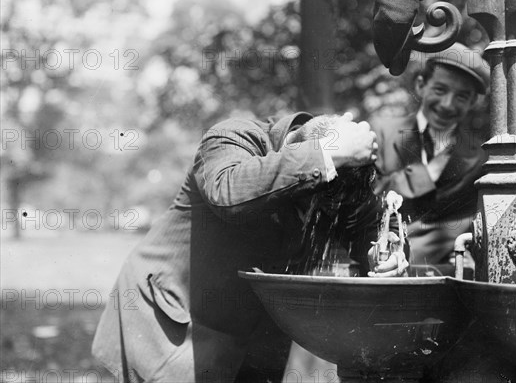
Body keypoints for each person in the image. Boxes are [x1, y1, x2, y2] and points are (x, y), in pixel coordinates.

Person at [92, 112, 383, 382]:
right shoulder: (233, 137)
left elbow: (373, 228)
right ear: (296, 145)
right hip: (173, 322)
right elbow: (228, 192)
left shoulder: (341, 176)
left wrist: (382, 254)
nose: (318, 212)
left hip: (255, 338)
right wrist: (327, 153)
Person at [369, 42, 490, 267]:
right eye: (440, 90)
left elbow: (471, 229)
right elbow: (367, 205)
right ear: (421, 85)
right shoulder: (381, 133)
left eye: (462, 97)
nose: (447, 104)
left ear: (473, 102)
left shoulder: (480, 160)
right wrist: (425, 175)